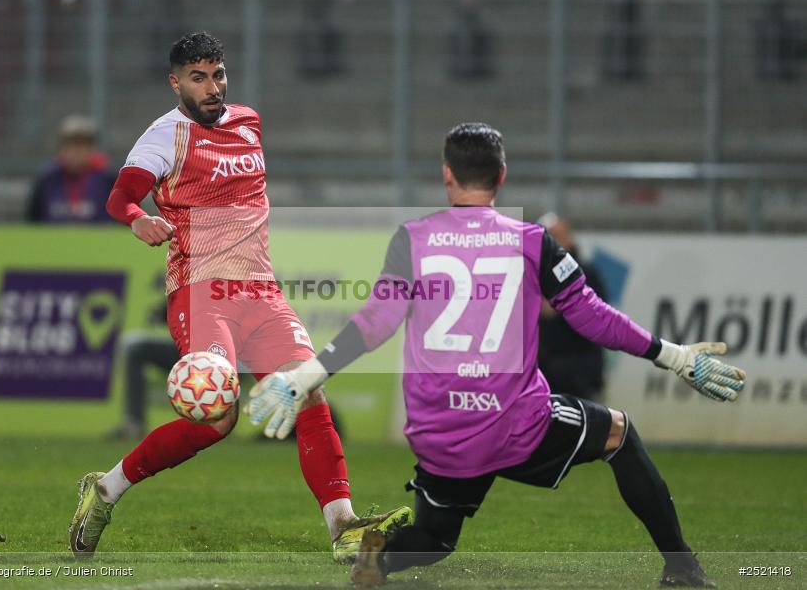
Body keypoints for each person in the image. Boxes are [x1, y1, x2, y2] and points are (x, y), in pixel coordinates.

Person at [247, 123, 745, 588]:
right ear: (501, 176)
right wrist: (674, 357)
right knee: (617, 433)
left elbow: (375, 322)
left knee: (437, 540)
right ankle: (681, 566)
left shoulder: (413, 240)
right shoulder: (531, 241)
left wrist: (304, 376)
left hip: (440, 432)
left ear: (446, 175)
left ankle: (378, 553)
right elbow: (590, 314)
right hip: (514, 421)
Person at [68, 32, 411, 562]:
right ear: (175, 81)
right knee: (219, 420)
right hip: (201, 291)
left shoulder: (247, 120)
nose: (212, 87)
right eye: (198, 77)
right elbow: (119, 197)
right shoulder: (164, 138)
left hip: (261, 288)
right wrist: (139, 220)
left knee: (306, 391)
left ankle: (343, 525)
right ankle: (107, 488)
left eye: (219, 74)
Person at [537, 212, 607, 401]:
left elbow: (598, 317)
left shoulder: (586, 274)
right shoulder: (531, 276)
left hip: (579, 374)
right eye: (545, 238)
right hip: (544, 376)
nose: (550, 243)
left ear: (569, 240)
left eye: (556, 237)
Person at [27, 115, 116, 223]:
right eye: (69, 146)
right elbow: (32, 221)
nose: (75, 153)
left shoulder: (107, 179)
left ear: (92, 149)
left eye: (81, 147)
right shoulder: (47, 179)